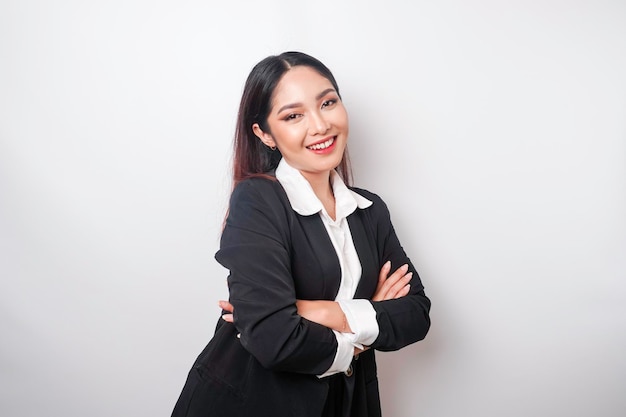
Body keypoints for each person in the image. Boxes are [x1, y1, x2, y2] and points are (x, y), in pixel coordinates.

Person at [171, 51, 431, 417]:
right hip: (252, 403)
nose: (320, 125)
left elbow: (416, 314)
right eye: (293, 116)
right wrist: (365, 324)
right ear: (265, 134)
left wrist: (320, 312)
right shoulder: (258, 201)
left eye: (328, 103)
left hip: (347, 403)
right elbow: (273, 338)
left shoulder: (370, 210)